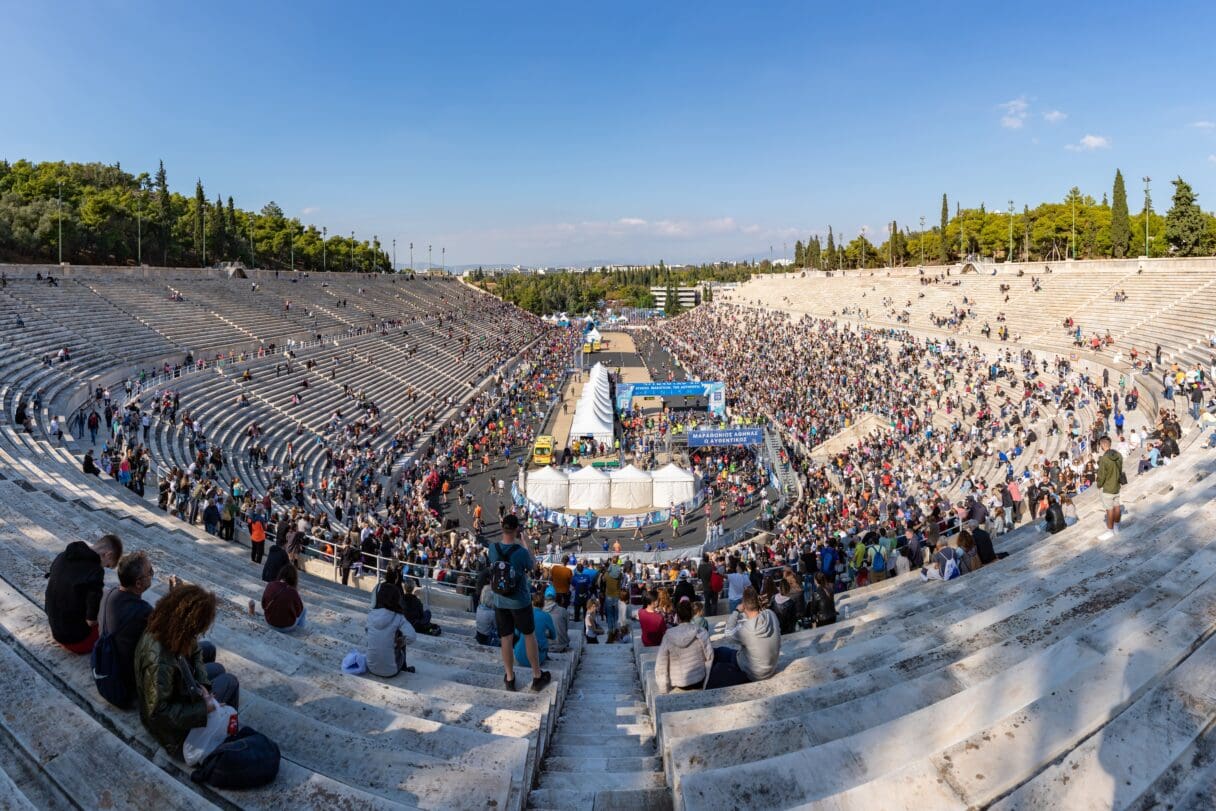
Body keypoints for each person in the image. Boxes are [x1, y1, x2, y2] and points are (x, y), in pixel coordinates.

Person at [134, 585, 240, 758]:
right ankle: (223, 737)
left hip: (182, 690)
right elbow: (159, 713)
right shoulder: (160, 660)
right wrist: (203, 708)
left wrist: (204, 685)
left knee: (217, 667)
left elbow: (195, 650)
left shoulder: (168, 626)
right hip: (173, 737)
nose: (198, 635)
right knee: (230, 682)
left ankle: (222, 723)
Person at [488, 515, 550, 692]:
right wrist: (524, 542)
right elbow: (532, 566)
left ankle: (509, 677)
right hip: (520, 601)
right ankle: (537, 676)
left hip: (500, 601)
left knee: (505, 638)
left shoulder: (492, 548)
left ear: (502, 528)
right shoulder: (521, 552)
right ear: (516, 530)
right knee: (529, 635)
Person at [45, 533, 123, 654]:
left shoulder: (62, 556)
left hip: (55, 629)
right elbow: (91, 621)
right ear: (108, 554)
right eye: (107, 565)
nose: (104, 567)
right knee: (115, 618)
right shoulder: (95, 572)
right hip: (76, 641)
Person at [97, 552, 155, 707]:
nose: (152, 574)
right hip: (127, 688)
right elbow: (171, 636)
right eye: (150, 572)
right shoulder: (142, 611)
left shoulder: (109, 594)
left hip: (108, 672)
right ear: (138, 584)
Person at [706, 587, 780, 688]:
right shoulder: (771, 614)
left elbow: (728, 633)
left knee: (718, 652)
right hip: (771, 668)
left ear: (744, 605)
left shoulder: (746, 629)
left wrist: (736, 611)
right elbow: (758, 616)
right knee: (724, 652)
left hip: (752, 672)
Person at [654, 598, 713, 693]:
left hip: (677, 683)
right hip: (698, 680)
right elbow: (709, 657)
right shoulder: (701, 632)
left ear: (677, 616)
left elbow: (661, 664)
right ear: (692, 614)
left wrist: (664, 690)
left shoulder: (668, 636)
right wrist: (706, 683)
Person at [366, 571, 418, 677]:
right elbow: (412, 637)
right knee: (400, 637)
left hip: (370, 667)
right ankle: (404, 667)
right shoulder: (399, 617)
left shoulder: (371, 615)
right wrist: (400, 642)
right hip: (391, 671)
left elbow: (367, 632)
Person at [514, 593, 556, 666]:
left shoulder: (523, 614)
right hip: (537, 658)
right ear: (543, 604)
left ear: (532, 602)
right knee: (543, 642)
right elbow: (554, 636)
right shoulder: (546, 616)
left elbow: (516, 633)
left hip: (519, 656)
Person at [262, 564, 306, 632]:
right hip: (286, 627)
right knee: (304, 610)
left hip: (269, 621)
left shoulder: (270, 584)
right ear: (294, 578)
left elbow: (263, 604)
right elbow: (299, 612)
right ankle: (300, 631)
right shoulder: (293, 592)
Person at [1095, 435, 1124, 537]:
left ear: (1103, 445)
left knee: (1109, 509)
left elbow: (1101, 475)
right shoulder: (1119, 455)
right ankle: (1116, 527)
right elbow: (1120, 469)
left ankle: (1110, 531)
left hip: (1107, 487)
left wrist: (1099, 484)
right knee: (1117, 507)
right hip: (1116, 485)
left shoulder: (1104, 459)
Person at [543, 587, 569, 653]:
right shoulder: (563, 611)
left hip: (546, 645)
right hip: (561, 644)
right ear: (555, 597)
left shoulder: (540, 611)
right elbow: (566, 629)